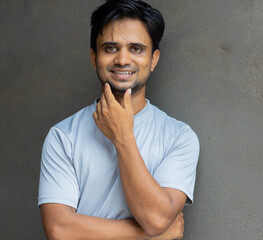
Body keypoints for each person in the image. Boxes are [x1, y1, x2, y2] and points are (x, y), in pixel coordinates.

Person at [38, 0, 200, 239]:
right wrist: (149, 236)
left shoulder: (179, 137)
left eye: (136, 48)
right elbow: (59, 230)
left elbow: (155, 218)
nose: (123, 60)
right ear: (94, 57)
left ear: (153, 60)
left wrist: (122, 136)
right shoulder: (63, 136)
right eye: (110, 48)